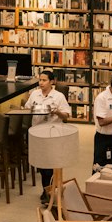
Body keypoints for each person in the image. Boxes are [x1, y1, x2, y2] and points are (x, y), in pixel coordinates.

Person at [24, 70, 71, 204]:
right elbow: (27, 109)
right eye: (40, 80)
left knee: (49, 165)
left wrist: (56, 111)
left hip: (52, 134)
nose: (41, 83)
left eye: (44, 80)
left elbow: (66, 116)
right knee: (41, 165)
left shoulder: (59, 96)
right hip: (37, 133)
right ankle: (47, 190)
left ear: (52, 82)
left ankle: (48, 192)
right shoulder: (34, 94)